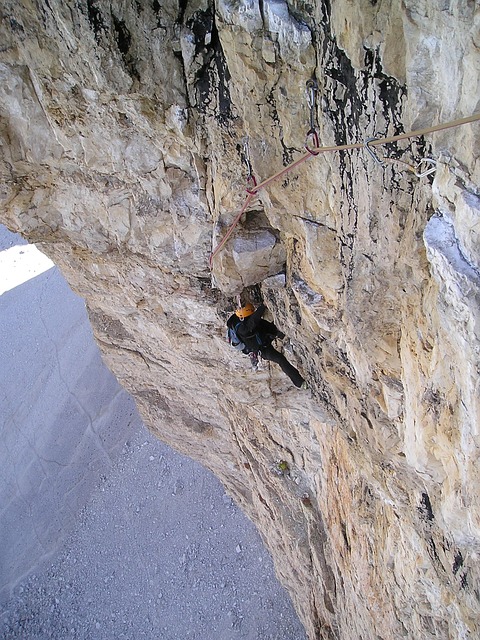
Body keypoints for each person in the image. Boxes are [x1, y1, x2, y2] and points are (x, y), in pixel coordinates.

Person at [227, 303, 307, 389]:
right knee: (280, 359)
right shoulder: (242, 328)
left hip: (262, 337)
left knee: (267, 326)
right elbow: (253, 322)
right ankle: (300, 383)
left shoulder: (240, 319)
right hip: (262, 349)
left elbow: (258, 323)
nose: (252, 314)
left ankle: (280, 333)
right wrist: (262, 307)